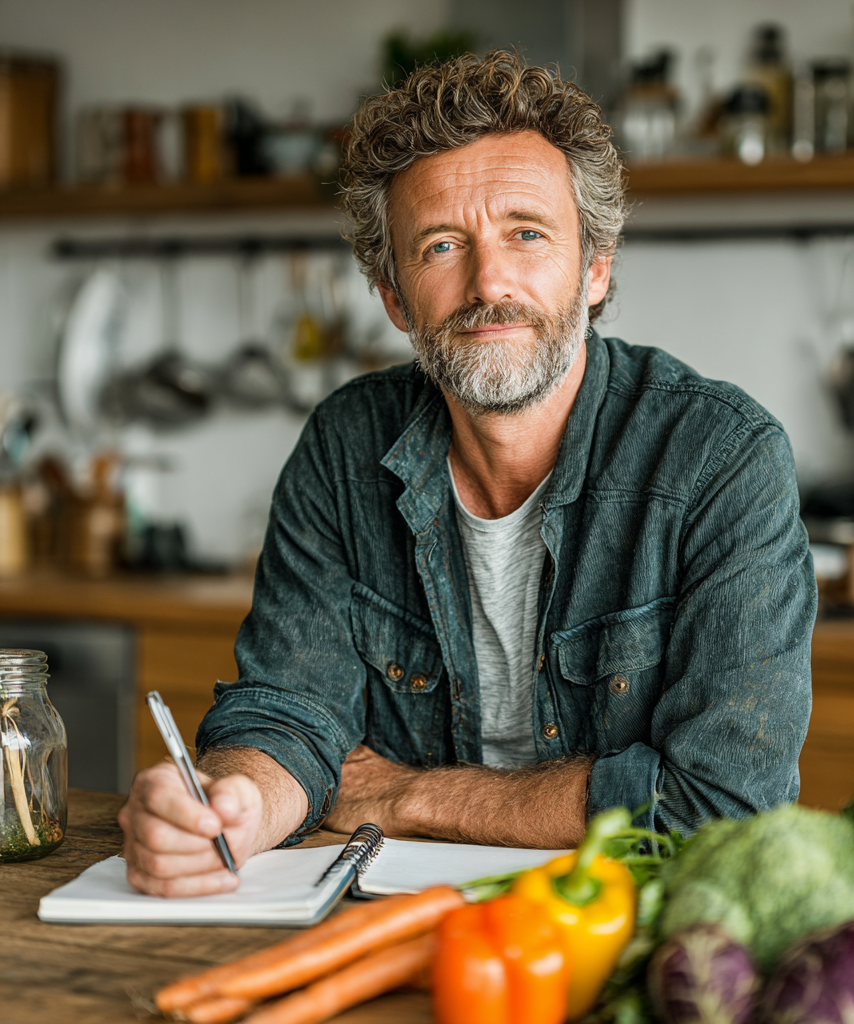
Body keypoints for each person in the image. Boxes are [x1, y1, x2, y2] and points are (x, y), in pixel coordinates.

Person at [120, 52, 815, 897]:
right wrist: (230, 807)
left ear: (594, 268)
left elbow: (722, 805)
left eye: (527, 232)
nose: (489, 284)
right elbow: (287, 716)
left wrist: (407, 795)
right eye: (443, 245)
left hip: (634, 926)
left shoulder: (719, 457)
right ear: (395, 299)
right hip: (388, 926)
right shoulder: (345, 447)